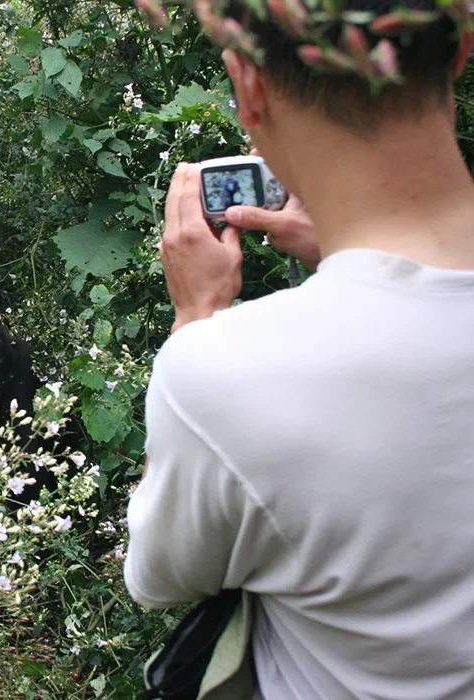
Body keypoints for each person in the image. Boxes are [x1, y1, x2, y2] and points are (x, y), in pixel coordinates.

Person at [123, 1, 474, 698]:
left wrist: (196, 317)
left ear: (249, 85)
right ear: (459, 53)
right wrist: (349, 254)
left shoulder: (224, 378)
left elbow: (158, 579)